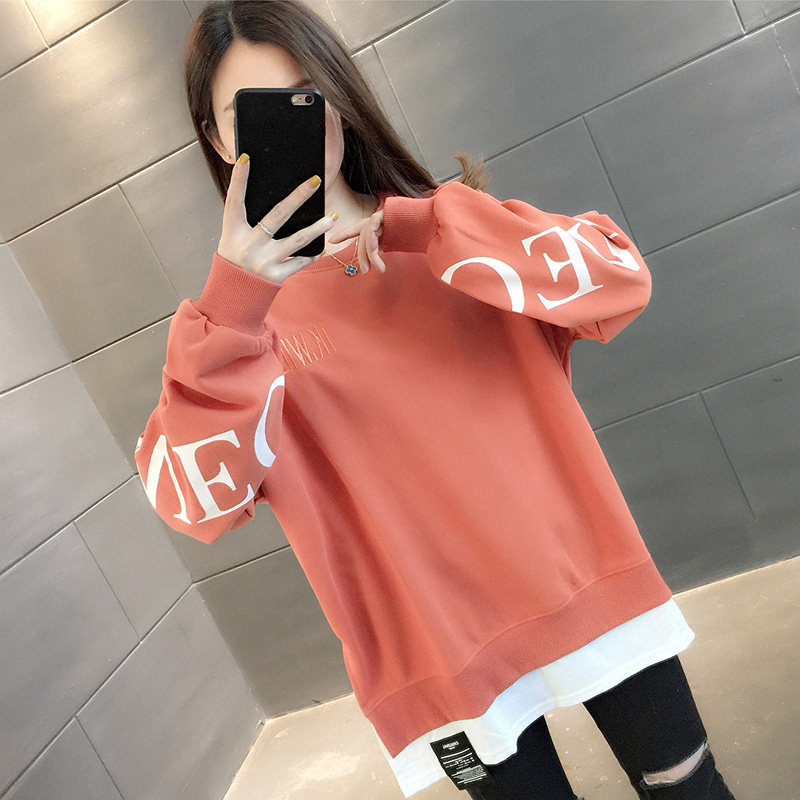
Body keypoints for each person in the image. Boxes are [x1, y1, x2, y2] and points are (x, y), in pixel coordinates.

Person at [134, 2, 738, 798]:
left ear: (340, 97)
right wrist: (235, 305)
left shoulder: (454, 241)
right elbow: (193, 505)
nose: (293, 125)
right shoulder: (234, 337)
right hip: (435, 664)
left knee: (688, 788)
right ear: (217, 139)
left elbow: (619, 279)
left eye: (306, 94)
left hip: (584, 584)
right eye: (253, 112)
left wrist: (421, 225)